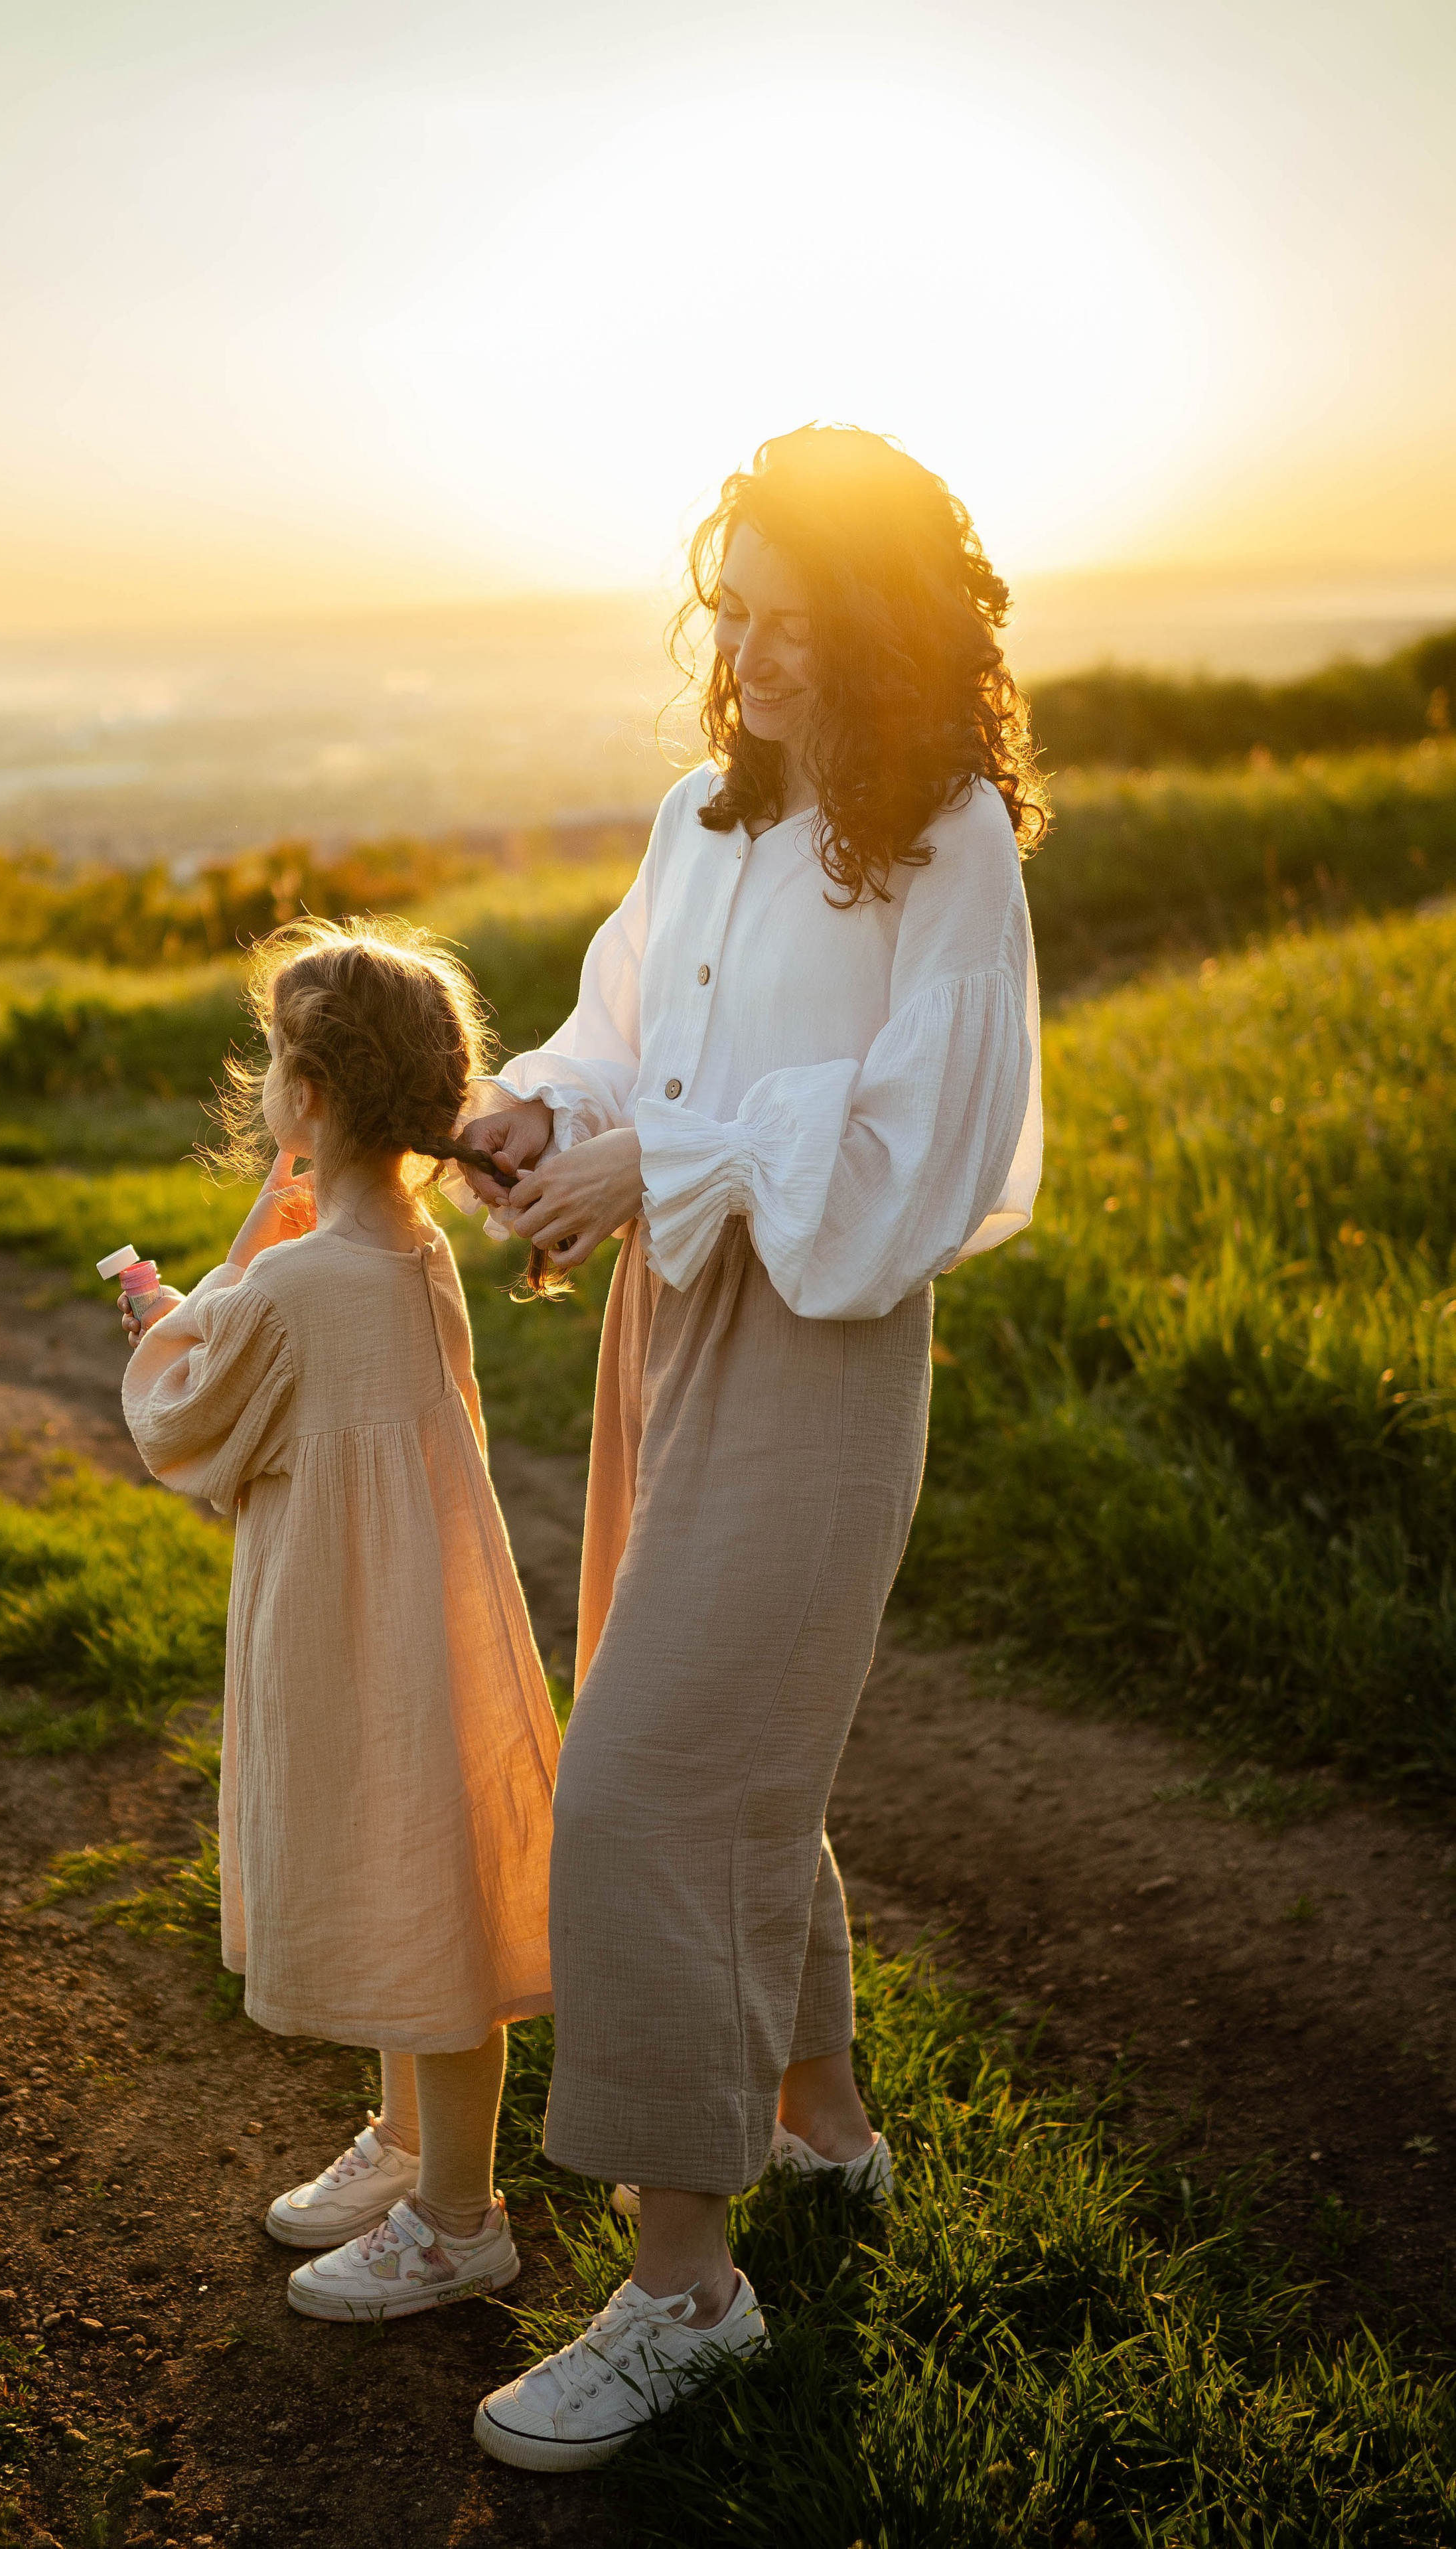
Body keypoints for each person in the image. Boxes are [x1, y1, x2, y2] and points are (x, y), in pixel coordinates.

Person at [449, 425, 1047, 2471]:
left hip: (822, 1336)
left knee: (641, 1787)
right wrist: (546, 1109)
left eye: (805, 624)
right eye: (735, 615)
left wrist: (656, 1155)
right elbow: (627, 1035)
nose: (760, 658)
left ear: (886, 630)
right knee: (721, 1752)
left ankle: (687, 2287)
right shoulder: (702, 817)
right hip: (669, 1324)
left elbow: (918, 1162)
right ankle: (828, 2126)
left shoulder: (949, 840)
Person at [120, 917, 560, 2323]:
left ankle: (456, 2217)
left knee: (418, 1884)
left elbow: (178, 1420)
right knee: (417, 1864)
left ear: (305, 1098)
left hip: (346, 1619)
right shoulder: (414, 1250)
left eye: (269, 1061)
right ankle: (411, 2145)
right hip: (421, 1614)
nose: (258, 1082)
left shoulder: (301, 1285)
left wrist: (202, 1275)